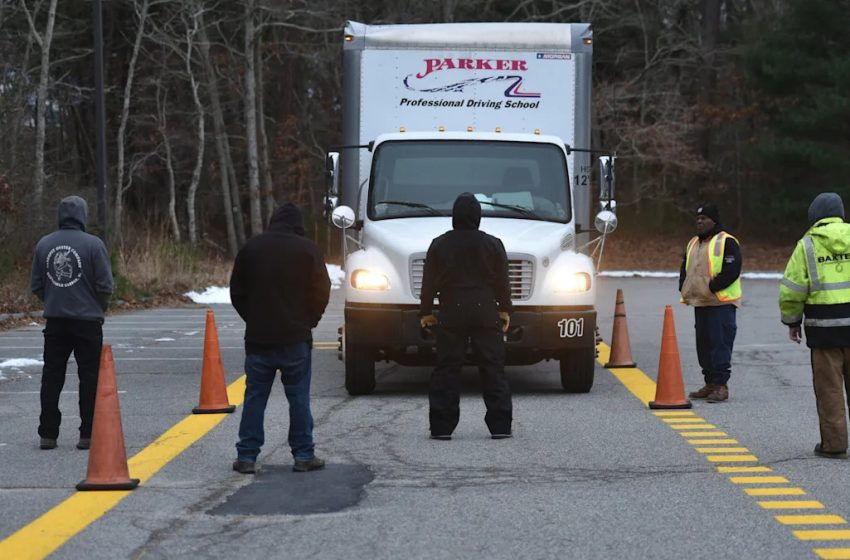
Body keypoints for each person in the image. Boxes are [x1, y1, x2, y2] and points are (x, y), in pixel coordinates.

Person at [229, 203, 331, 474]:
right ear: (298, 224)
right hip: (295, 338)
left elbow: (237, 291)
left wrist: (254, 319)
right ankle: (303, 454)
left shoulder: (252, 248)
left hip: (259, 339)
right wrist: (309, 320)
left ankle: (247, 456)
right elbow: (322, 290)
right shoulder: (307, 249)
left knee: (254, 398)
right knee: (299, 399)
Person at [419, 193, 513, 440]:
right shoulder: (493, 244)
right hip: (484, 308)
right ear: (478, 217)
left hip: (451, 309)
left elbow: (428, 282)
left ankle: (442, 426)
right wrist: (505, 309)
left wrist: (426, 311)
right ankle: (500, 425)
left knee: (447, 368)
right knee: (492, 367)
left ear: (454, 216)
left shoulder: (439, 244)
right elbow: (503, 282)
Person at [30, 195, 113, 450]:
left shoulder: (44, 244)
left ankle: (48, 433)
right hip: (87, 321)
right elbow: (105, 284)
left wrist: (53, 300)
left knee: (52, 376)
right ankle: (87, 433)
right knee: (89, 377)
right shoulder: (93, 244)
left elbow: (37, 285)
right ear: (83, 216)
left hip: (55, 321)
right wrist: (100, 307)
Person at [779, 193, 850, 459]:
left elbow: (792, 290)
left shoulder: (807, 245)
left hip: (825, 333)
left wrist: (792, 321)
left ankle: (834, 444)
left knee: (830, 390)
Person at [678, 202, 742, 403]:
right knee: (703, 345)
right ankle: (710, 383)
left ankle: (721, 385)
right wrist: (684, 286)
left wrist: (711, 287)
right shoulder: (693, 243)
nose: (699, 222)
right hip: (700, 302)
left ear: (714, 221)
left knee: (720, 344)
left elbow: (732, 271)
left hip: (720, 303)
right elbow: (684, 268)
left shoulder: (727, 241)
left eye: (704, 218)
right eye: (697, 219)